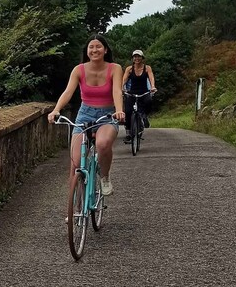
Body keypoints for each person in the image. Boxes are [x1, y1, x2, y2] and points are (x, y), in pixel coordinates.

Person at [47, 34, 125, 196]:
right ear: (87, 50)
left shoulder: (115, 68)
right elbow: (68, 91)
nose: (94, 50)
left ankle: (104, 176)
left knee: (102, 144)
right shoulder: (79, 70)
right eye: (91, 47)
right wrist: (56, 109)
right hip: (85, 115)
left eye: (98, 46)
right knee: (75, 163)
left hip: (107, 115)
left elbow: (117, 91)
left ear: (105, 50)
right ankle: (76, 209)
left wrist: (119, 110)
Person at [121, 49, 157, 141]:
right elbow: (124, 79)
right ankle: (128, 131)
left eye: (139, 56)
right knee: (128, 111)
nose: (137, 58)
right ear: (133, 58)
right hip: (132, 93)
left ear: (142, 58)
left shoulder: (147, 68)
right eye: (135, 56)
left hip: (144, 92)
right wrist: (121, 87)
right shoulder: (129, 69)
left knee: (148, 101)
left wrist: (152, 87)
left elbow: (151, 77)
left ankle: (144, 116)